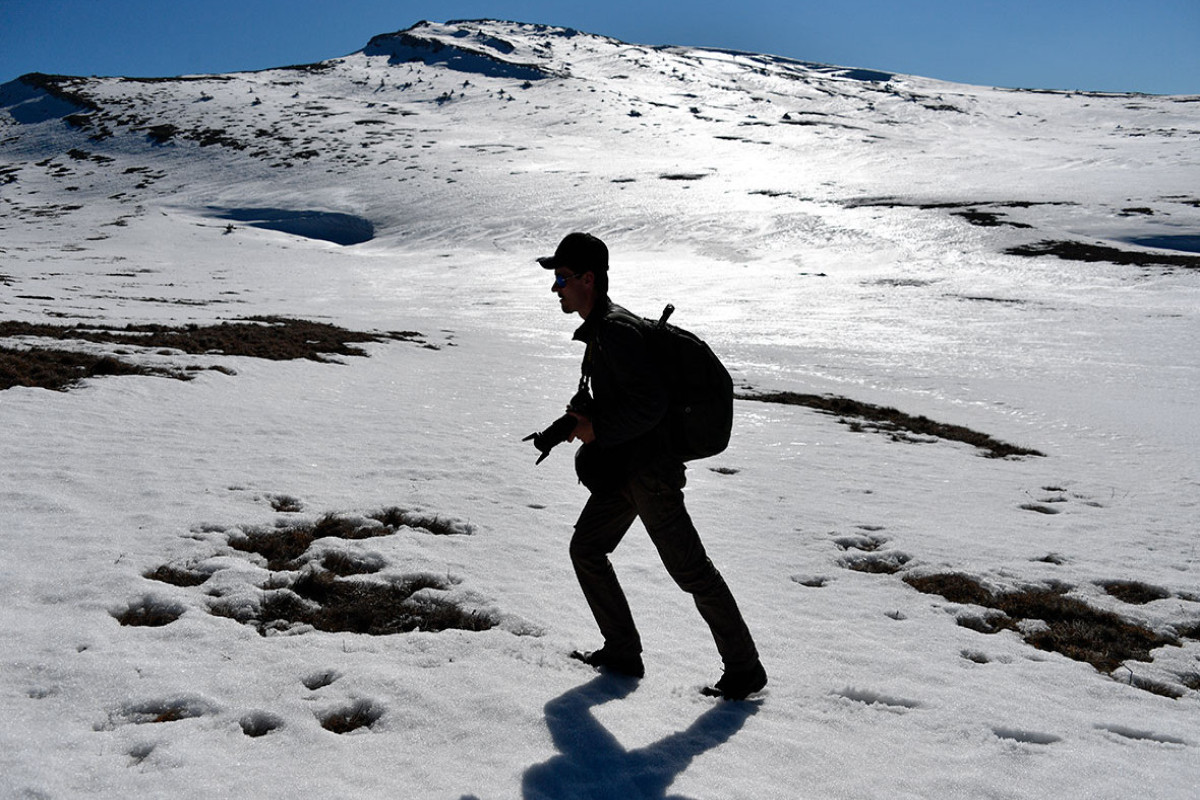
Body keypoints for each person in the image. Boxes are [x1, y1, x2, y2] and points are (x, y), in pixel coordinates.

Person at [535, 232, 767, 701]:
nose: (555, 288)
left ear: (588, 278)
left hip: (649, 473)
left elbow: (650, 406)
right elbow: (628, 402)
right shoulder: (604, 330)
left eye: (561, 277)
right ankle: (622, 650)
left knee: (691, 572)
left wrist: (598, 431)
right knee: (587, 548)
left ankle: (745, 668)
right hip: (628, 469)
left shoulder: (616, 332)